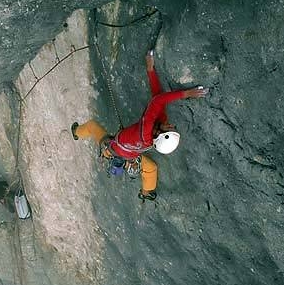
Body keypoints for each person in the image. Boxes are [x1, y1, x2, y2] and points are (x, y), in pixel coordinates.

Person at [71, 49, 209, 201]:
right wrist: (150, 71)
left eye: (170, 128)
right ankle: (146, 192)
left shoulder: (147, 127)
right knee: (150, 169)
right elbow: (158, 97)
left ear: (159, 133)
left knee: (91, 126)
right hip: (131, 156)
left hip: (112, 149)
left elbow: (157, 101)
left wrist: (186, 94)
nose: (171, 125)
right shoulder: (153, 137)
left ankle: (76, 132)